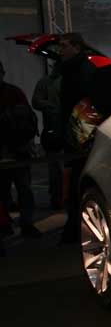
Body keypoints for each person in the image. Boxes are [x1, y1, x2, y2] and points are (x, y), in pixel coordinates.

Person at [57, 32, 96, 243]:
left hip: (81, 136)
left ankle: (77, 228)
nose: (60, 50)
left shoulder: (82, 70)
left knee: (78, 182)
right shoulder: (69, 69)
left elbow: (87, 106)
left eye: (64, 46)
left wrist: (80, 135)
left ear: (76, 47)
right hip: (76, 134)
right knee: (73, 181)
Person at [0, 60, 41, 238]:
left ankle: (8, 223)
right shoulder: (14, 92)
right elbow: (29, 118)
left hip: (12, 148)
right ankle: (25, 223)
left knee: (11, 189)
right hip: (20, 148)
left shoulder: (14, 93)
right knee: (23, 188)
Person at [31, 62, 64, 209]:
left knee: (56, 167)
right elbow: (36, 101)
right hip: (54, 129)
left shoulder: (49, 81)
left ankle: (58, 197)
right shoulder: (46, 82)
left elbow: (36, 101)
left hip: (57, 129)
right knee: (56, 167)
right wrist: (52, 107)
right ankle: (57, 197)